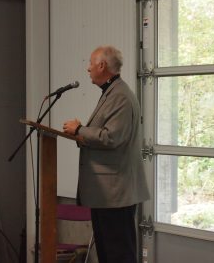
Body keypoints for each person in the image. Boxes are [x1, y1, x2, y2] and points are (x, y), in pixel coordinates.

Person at [63, 45, 150, 263]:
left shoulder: (120, 96)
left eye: (91, 63)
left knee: (118, 254)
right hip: (107, 193)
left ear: (102, 65)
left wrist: (80, 130)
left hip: (116, 193)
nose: (88, 68)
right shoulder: (111, 93)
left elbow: (112, 137)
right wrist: (82, 132)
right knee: (107, 253)